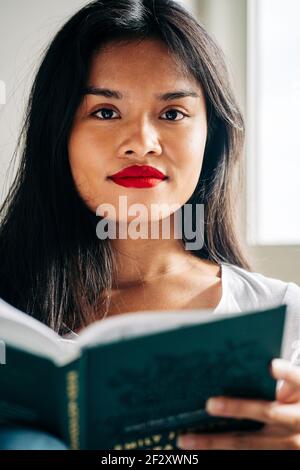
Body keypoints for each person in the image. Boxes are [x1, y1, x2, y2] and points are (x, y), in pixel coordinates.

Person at [0, 0, 300, 451]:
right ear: (58, 132)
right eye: (105, 111)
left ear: (211, 135)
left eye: (173, 113)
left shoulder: (285, 319)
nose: (141, 143)